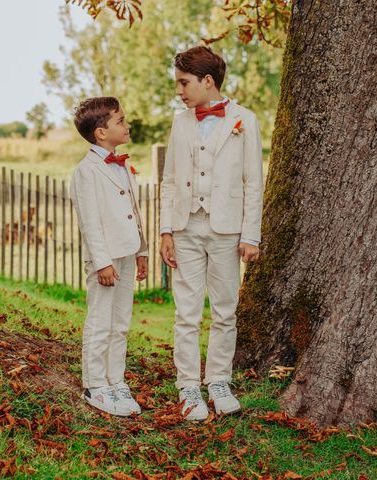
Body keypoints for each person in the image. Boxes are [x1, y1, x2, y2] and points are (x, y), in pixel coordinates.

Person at [160, 46, 263, 420]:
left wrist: (251, 235)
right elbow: (169, 178)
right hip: (186, 225)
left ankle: (219, 380)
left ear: (208, 81)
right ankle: (188, 385)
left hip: (226, 228)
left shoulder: (245, 120)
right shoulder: (180, 121)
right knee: (186, 312)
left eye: (184, 83)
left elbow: (253, 181)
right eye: (177, 83)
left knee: (225, 310)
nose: (179, 91)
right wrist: (165, 229)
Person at [70, 96, 148, 416]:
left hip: (127, 252)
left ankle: (116, 379)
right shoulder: (85, 171)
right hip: (105, 259)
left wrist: (141, 250)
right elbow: (90, 221)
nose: (127, 125)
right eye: (120, 121)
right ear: (101, 132)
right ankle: (95, 384)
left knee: (120, 322)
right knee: (101, 320)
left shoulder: (123, 164)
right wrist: (101, 261)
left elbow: (133, 210)